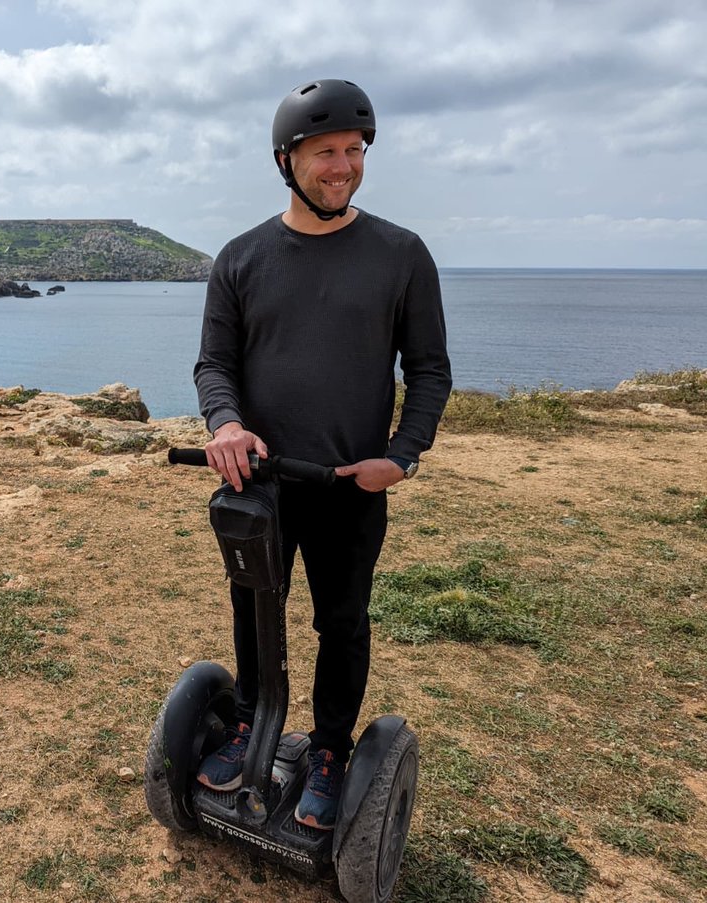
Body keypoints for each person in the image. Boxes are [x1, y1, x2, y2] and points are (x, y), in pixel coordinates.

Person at [192, 78, 452, 830]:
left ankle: (332, 748)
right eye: (325, 153)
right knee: (253, 609)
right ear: (286, 160)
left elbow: (428, 371)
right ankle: (249, 721)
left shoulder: (401, 255)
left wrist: (402, 455)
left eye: (354, 150)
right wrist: (225, 424)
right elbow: (215, 364)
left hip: (348, 484)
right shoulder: (240, 258)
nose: (342, 166)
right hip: (260, 484)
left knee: (342, 621)